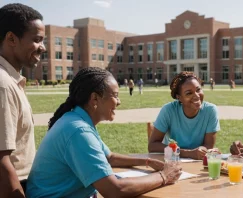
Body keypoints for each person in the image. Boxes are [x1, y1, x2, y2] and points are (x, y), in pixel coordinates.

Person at [26, 67, 182, 198]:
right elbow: (114, 190)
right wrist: (164, 176)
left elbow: (110, 157)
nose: (119, 102)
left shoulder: (77, 120)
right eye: (115, 96)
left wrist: (147, 162)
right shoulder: (78, 131)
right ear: (95, 99)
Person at [0, 3, 46, 197]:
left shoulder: (11, 79)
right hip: (14, 187)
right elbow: (1, 160)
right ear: (11, 38)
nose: (42, 47)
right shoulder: (2, 83)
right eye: (37, 40)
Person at [148, 71, 220, 160]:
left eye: (198, 90)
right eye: (189, 93)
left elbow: (208, 145)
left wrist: (202, 150)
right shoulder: (168, 110)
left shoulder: (210, 110)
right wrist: (188, 153)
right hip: (172, 161)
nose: (197, 96)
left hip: (197, 164)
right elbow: (152, 146)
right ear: (179, 97)